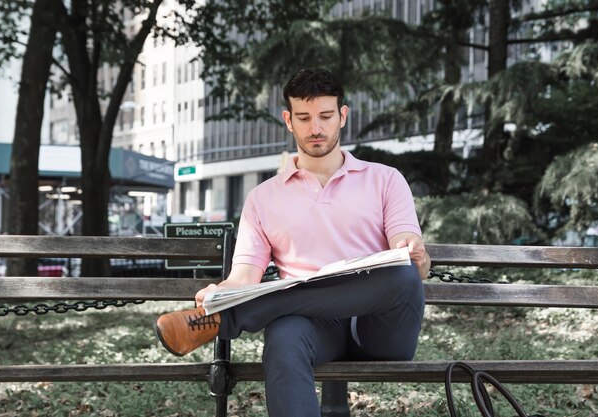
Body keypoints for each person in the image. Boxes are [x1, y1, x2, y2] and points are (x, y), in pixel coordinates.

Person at [155, 68, 430, 417]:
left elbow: (415, 263)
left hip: (377, 328)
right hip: (314, 326)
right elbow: (244, 276)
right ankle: (227, 311)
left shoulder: (386, 180)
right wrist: (220, 293)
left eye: (326, 116)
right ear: (288, 120)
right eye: (304, 117)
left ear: (342, 116)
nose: (315, 128)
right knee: (284, 333)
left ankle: (228, 320)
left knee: (404, 274)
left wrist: (413, 250)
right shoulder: (262, 198)